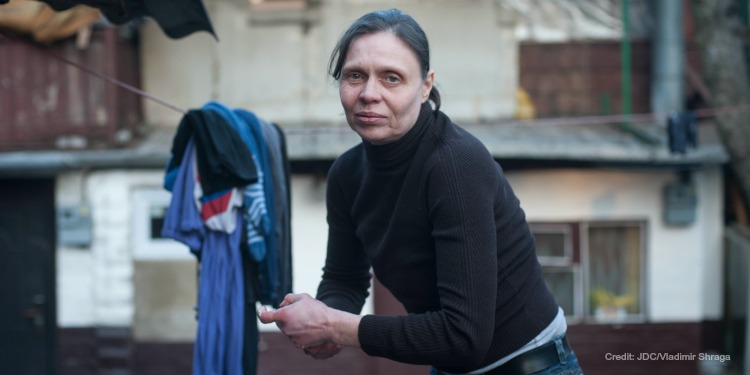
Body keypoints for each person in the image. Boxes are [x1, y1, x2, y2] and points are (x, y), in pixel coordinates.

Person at [258, 8, 584, 375]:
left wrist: (336, 326)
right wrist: (325, 320)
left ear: (426, 85)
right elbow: (344, 277)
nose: (369, 94)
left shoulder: (456, 164)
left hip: (530, 366)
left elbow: (465, 336)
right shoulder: (346, 174)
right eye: (355, 76)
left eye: (391, 78)